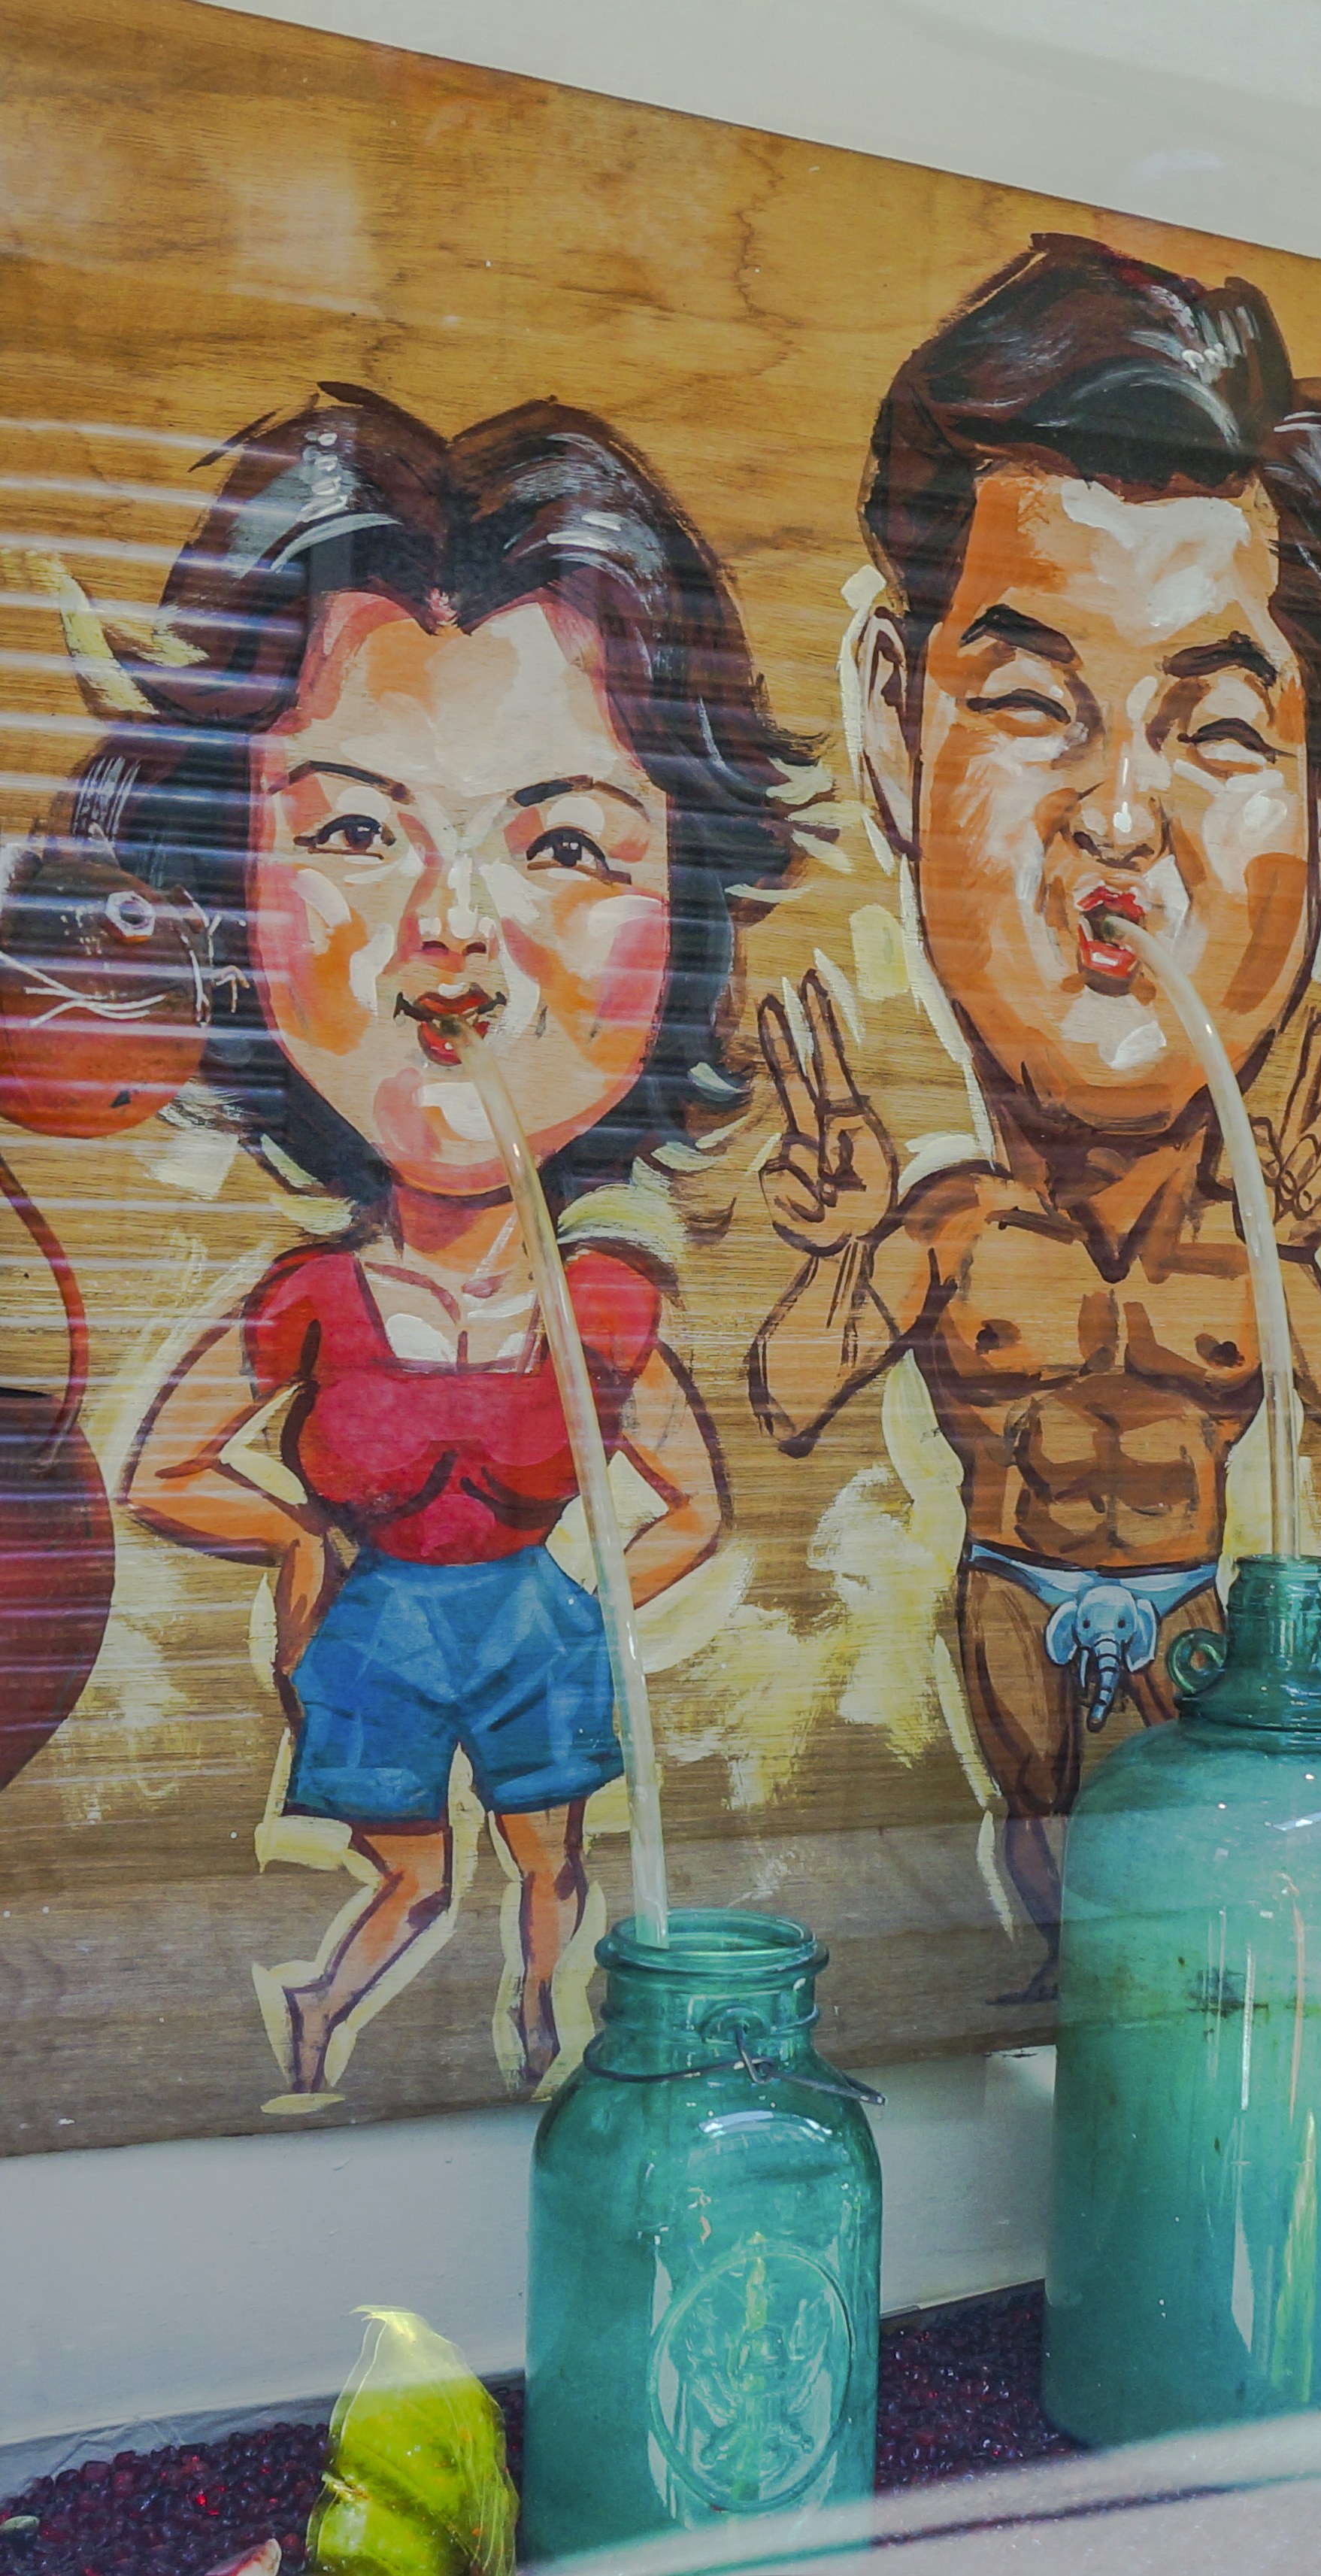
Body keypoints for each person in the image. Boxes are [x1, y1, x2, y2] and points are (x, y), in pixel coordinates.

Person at [84, 390, 805, 2095]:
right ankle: (331, 2016)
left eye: (561, 844)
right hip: (386, 1643)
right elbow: (168, 1469)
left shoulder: (608, 1301)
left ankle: (547, 2022)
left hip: (529, 1633)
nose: (453, 948)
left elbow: (689, 1503)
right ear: (227, 870)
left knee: (555, 1866)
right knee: (411, 1870)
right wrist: (299, 1547)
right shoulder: (312, 1296)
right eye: (351, 831)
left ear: (687, 899)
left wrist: (578, 1602)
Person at [749, 237, 1321, 2001]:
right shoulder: (951, 1229)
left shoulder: (1234, 1240)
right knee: (1047, 1868)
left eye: (1219, 731)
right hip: (1015, 1593)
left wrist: (1299, 1246)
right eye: (1033, 705)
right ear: (893, 729)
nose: (1119, 822)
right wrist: (845, 1242)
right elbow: (793, 1392)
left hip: (1198, 1623)